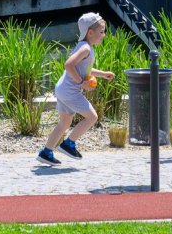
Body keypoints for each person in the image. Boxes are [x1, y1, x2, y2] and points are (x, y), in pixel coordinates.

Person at [38, 12, 115, 165]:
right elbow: (68, 65)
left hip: (62, 89)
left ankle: (46, 152)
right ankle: (68, 144)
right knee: (92, 117)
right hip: (70, 91)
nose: (104, 35)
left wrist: (102, 74)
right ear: (90, 32)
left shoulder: (84, 47)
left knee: (64, 123)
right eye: (101, 32)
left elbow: (83, 69)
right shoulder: (86, 48)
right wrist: (81, 83)